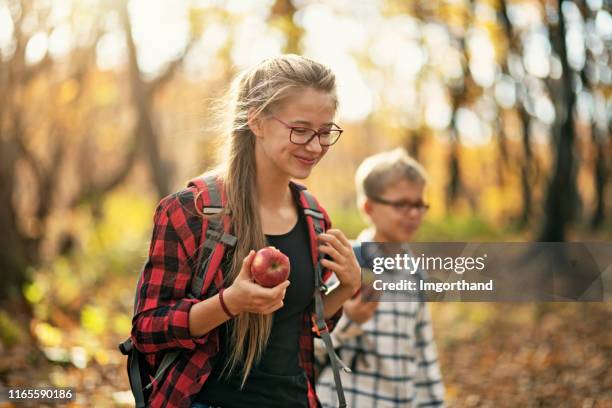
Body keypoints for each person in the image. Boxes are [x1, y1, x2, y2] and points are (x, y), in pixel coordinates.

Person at [130, 55, 361, 408]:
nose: (315, 146)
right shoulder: (190, 212)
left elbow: (303, 323)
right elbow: (147, 329)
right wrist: (229, 303)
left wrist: (347, 286)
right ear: (256, 121)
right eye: (300, 130)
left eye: (326, 132)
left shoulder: (314, 217)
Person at [316, 148, 445, 407]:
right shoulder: (342, 263)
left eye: (419, 204)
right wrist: (350, 321)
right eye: (401, 204)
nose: (413, 214)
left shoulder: (416, 274)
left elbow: (422, 353)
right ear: (369, 207)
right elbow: (311, 347)